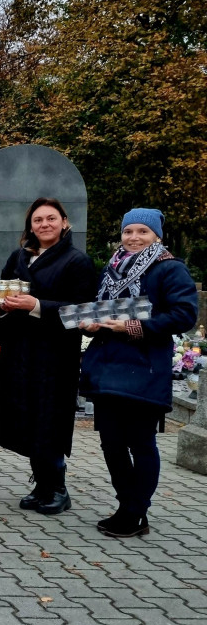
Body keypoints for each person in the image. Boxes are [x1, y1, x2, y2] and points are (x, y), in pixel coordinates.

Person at [79, 208, 197, 538]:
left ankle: (136, 511)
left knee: (141, 444)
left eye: (142, 232)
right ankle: (126, 506)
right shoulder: (113, 268)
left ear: (157, 235)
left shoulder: (169, 269)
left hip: (143, 369)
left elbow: (184, 314)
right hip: (106, 368)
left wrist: (134, 326)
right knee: (111, 443)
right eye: (128, 231)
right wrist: (90, 324)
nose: (133, 237)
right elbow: (101, 311)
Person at [0, 198, 97, 514]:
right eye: (38, 220)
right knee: (26, 418)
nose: (44, 225)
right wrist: (4, 305)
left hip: (54, 355)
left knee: (49, 419)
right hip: (20, 351)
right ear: (30, 226)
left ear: (65, 223)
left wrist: (35, 306)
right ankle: (41, 485)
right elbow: (3, 291)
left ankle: (58, 489)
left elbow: (81, 310)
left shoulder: (77, 261)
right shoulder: (19, 256)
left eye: (51, 218)